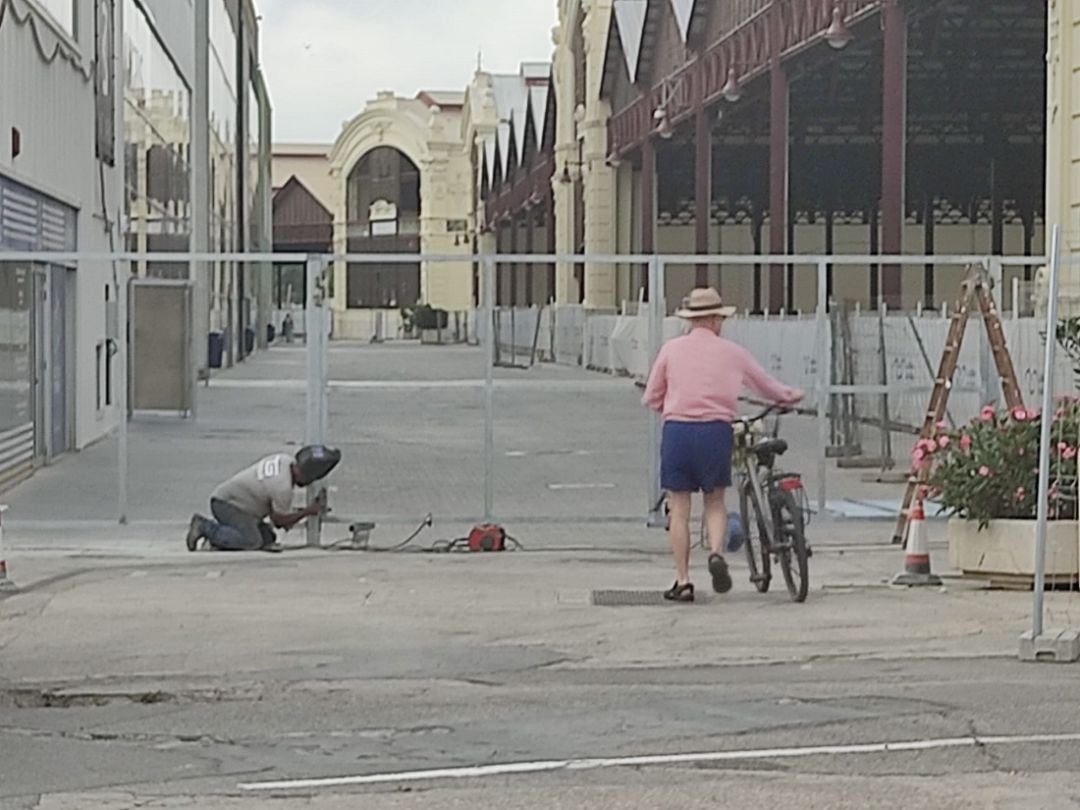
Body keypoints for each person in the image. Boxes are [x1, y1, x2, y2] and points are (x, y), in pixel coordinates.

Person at [642, 288, 803, 602]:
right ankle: (716, 553)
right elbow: (767, 386)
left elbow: (651, 396)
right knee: (714, 502)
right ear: (715, 320)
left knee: (679, 509)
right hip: (716, 431)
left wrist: (673, 408)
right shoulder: (733, 353)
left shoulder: (671, 350)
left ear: (691, 320)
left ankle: (683, 580)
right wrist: (790, 396)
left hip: (678, 431)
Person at [186, 445, 342, 552]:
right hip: (227, 504)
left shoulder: (284, 460)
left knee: (268, 538)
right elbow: (279, 521)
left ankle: (221, 539)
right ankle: (205, 527)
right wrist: (307, 512)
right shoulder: (282, 487)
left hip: (239, 504)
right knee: (252, 541)